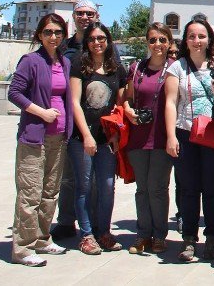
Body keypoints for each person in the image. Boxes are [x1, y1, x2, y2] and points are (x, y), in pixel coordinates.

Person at [164, 18, 214, 263]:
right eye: (192, 36)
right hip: (185, 132)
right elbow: (171, 102)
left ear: (209, 39)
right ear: (186, 40)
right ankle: (189, 239)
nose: (197, 41)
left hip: (213, 133)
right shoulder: (177, 67)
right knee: (189, 189)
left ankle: (213, 236)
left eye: (201, 36)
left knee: (212, 188)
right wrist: (171, 135)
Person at [8, 13, 74, 267]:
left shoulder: (64, 62)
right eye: (48, 32)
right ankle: (22, 249)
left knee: (50, 192)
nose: (53, 36)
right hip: (34, 138)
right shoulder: (31, 61)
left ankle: (42, 238)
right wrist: (40, 112)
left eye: (58, 32)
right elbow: (14, 92)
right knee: (30, 193)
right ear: (39, 34)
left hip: (59, 137)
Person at [67, 22, 127, 255]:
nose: (97, 42)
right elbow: (74, 102)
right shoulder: (78, 65)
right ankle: (86, 234)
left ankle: (104, 231)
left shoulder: (116, 69)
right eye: (92, 39)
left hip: (106, 139)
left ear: (108, 40)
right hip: (82, 137)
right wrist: (86, 136)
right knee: (84, 186)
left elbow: (120, 105)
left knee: (107, 186)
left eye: (101, 38)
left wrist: (115, 134)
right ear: (87, 42)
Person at [51, 0, 101, 241]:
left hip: (95, 120)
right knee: (68, 176)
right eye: (80, 13)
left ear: (97, 16)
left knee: (93, 179)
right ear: (73, 17)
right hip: (67, 118)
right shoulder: (63, 47)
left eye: (89, 13)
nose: (84, 17)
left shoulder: (103, 45)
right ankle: (65, 220)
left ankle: (90, 224)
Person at [124, 22, 174, 255]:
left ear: (169, 43)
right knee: (142, 189)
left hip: (163, 137)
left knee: (158, 188)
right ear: (147, 42)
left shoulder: (175, 68)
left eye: (162, 40)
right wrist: (128, 111)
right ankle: (143, 234)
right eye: (153, 40)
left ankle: (160, 235)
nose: (157, 44)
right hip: (138, 136)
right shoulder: (137, 68)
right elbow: (126, 97)